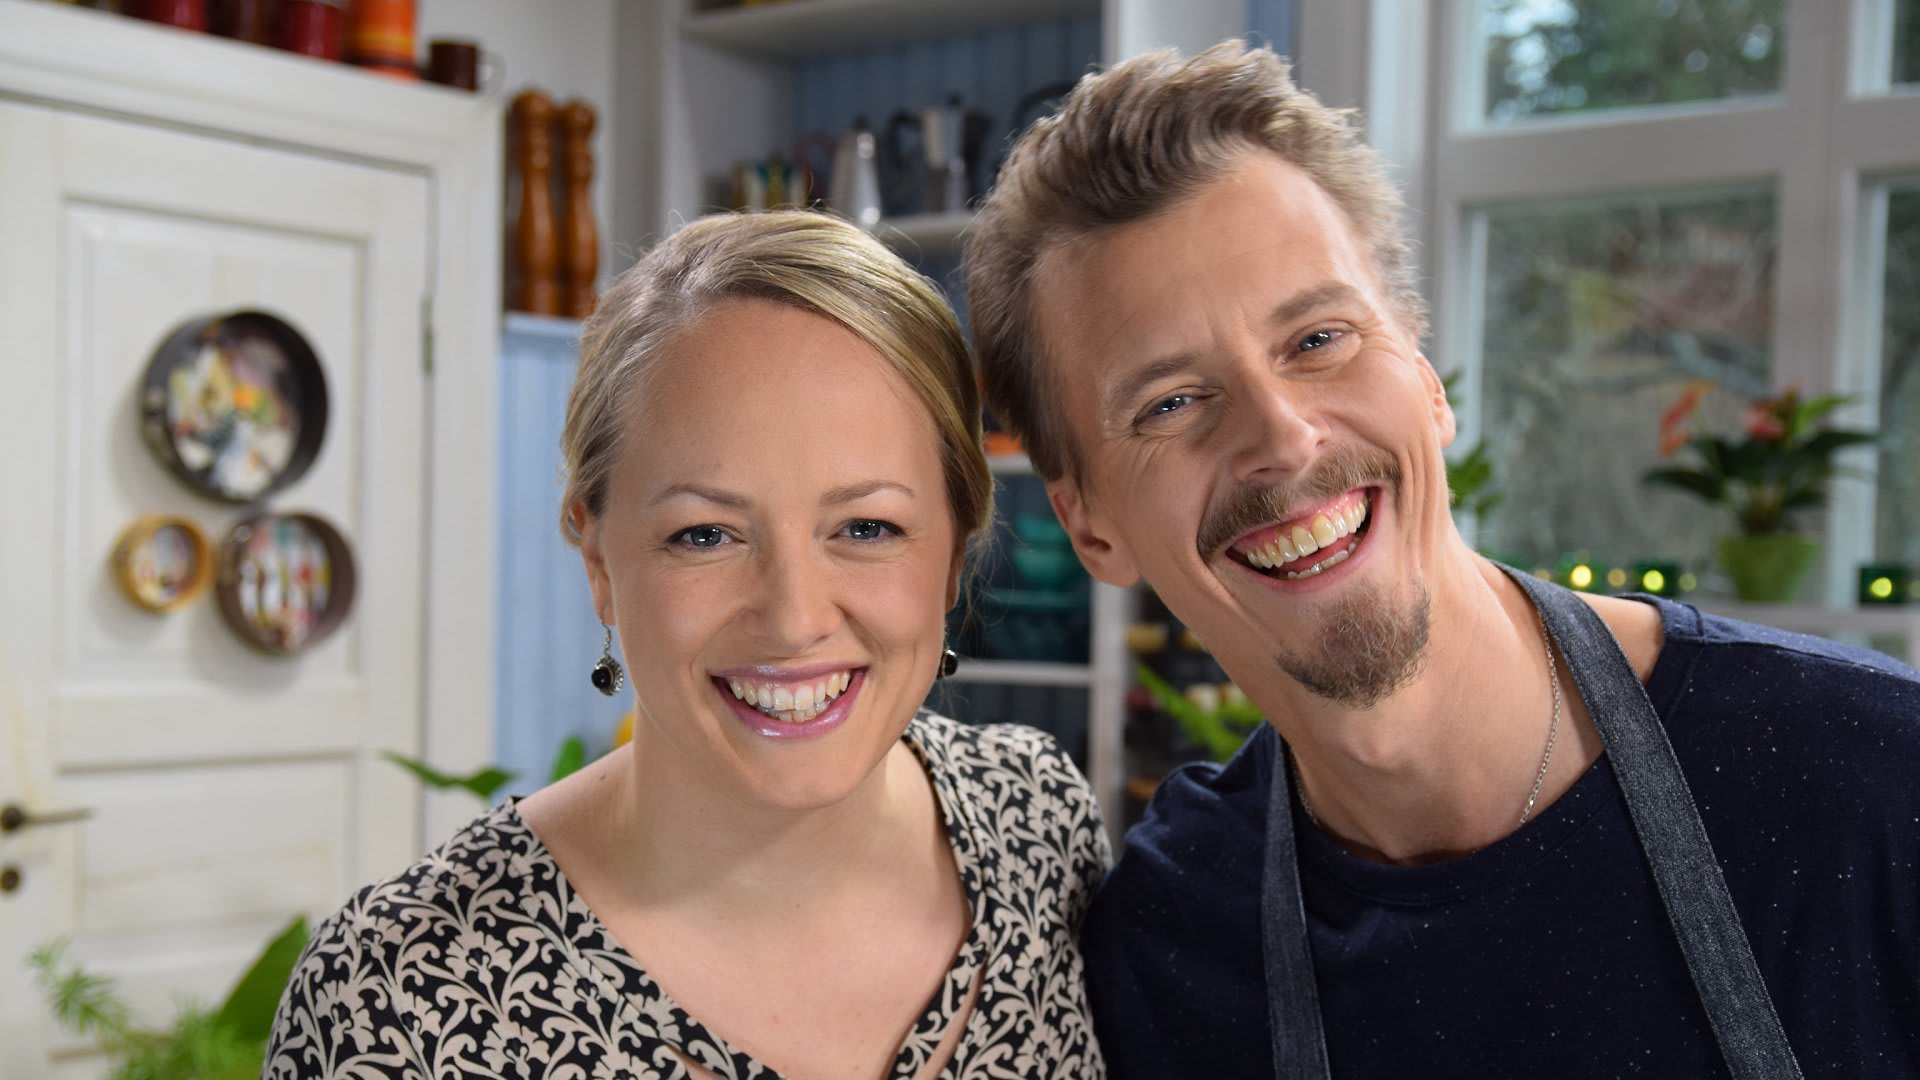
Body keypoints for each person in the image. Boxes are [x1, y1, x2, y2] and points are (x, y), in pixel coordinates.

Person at [965, 40, 1920, 1079]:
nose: (1283, 437)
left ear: (1425, 378)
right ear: (1090, 527)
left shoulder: (1871, 777)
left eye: (1318, 339)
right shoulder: (1169, 942)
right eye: (1173, 402)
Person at [265, 211, 1110, 1079]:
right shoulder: (392, 1000)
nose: (794, 618)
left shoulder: (1039, 822)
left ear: (954, 553)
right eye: (705, 535)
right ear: (598, 559)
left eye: (866, 527)